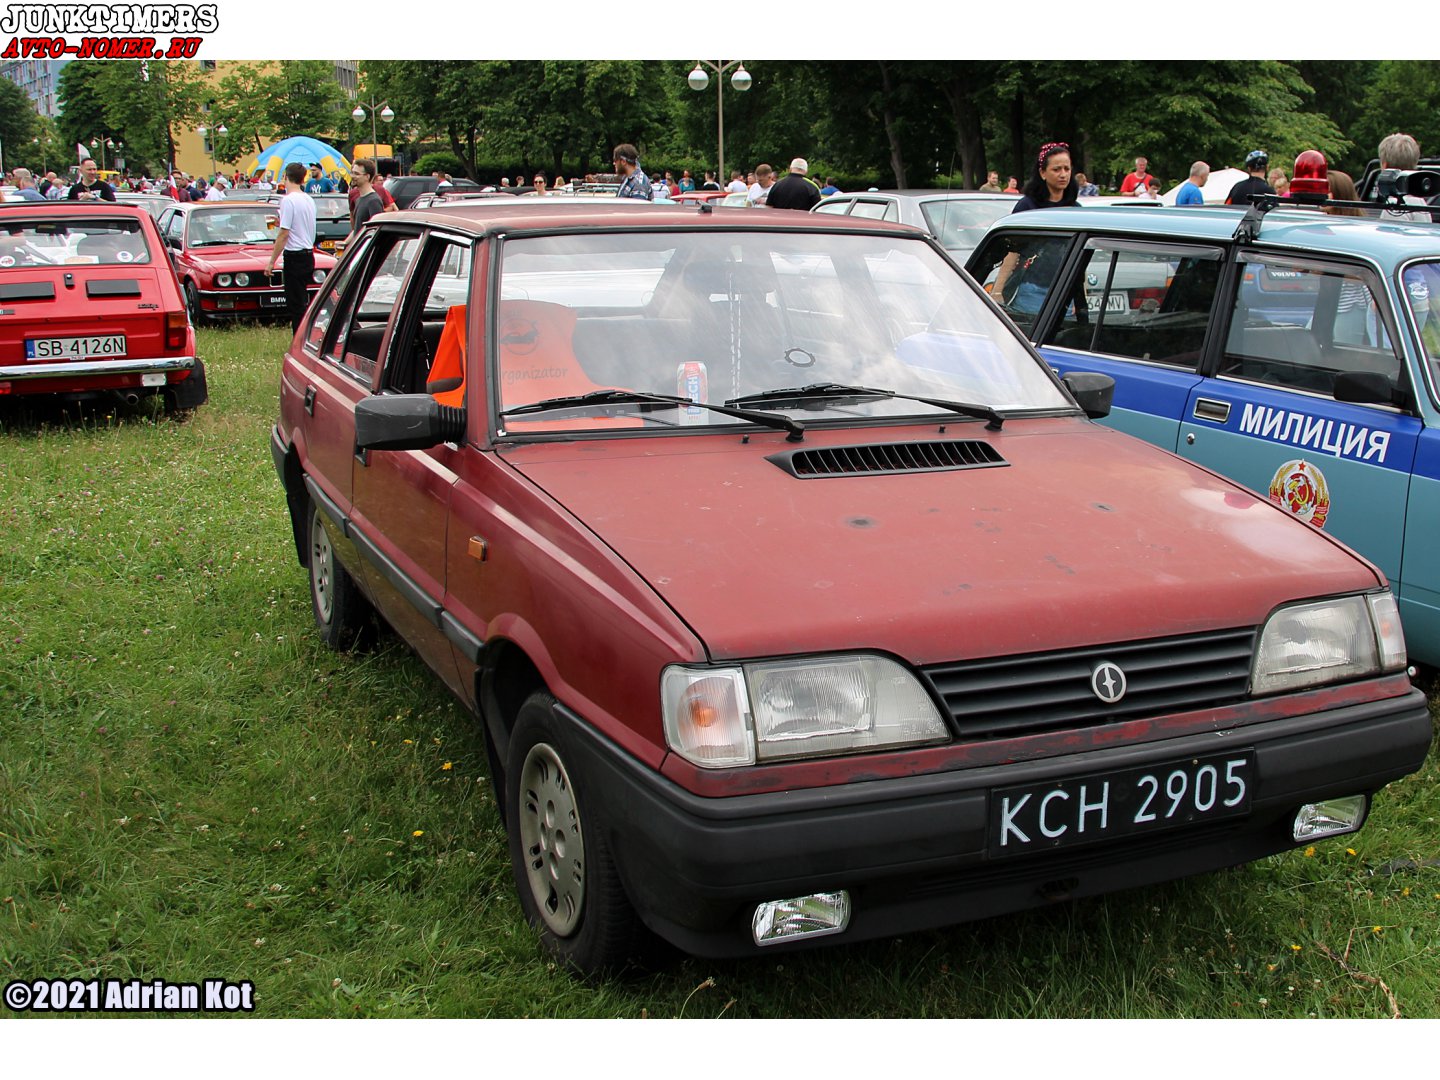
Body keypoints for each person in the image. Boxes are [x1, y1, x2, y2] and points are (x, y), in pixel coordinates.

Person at [264, 162, 317, 336]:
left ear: (286, 177)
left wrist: (272, 261)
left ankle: (299, 339)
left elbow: (284, 234)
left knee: (296, 304)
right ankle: (304, 336)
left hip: (295, 255)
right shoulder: (308, 199)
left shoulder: (288, 200)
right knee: (302, 299)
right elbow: (299, 225)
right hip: (308, 253)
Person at [348, 158, 385, 234]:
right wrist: (347, 241)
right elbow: (357, 231)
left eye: (356, 174)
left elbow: (376, 231)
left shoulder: (374, 201)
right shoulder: (359, 199)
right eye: (352, 173)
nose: (352, 176)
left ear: (367, 176)